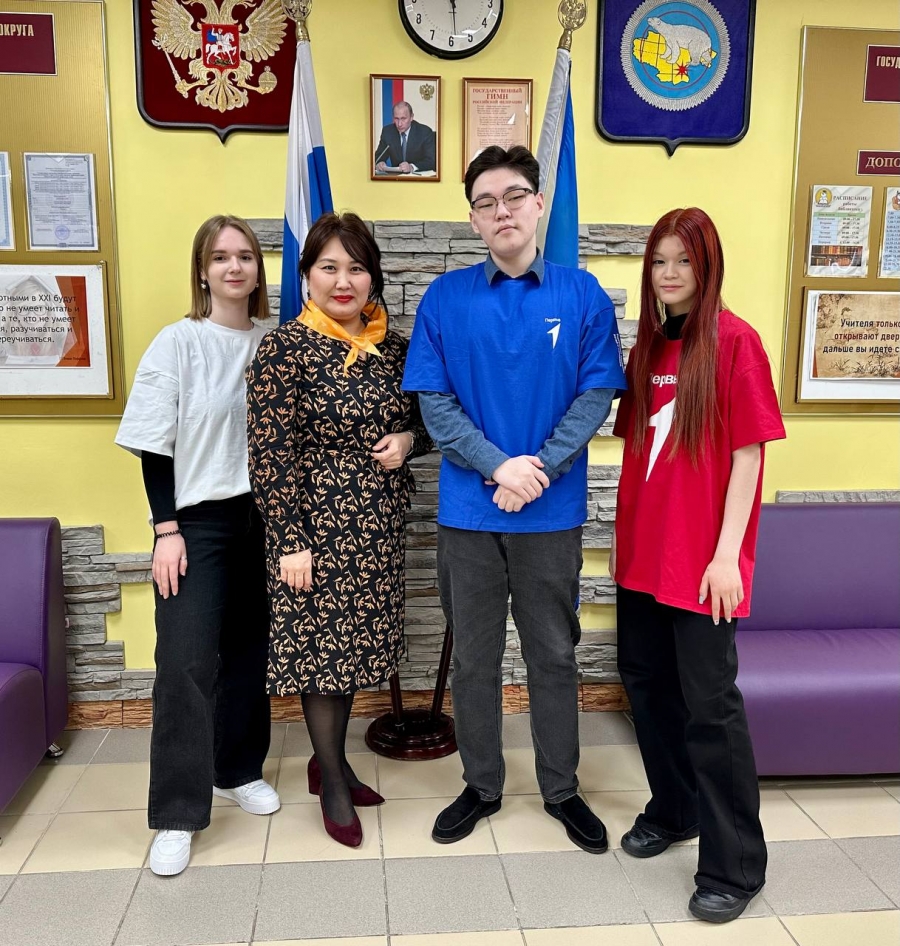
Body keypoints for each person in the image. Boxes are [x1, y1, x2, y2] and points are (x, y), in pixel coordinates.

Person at [403, 146, 627, 854]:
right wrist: (500, 467)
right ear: (473, 219)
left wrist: (538, 471)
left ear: (538, 206)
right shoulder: (445, 299)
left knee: (553, 656)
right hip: (469, 515)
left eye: (513, 197)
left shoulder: (582, 294)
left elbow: (596, 394)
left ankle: (561, 788)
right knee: (473, 660)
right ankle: (482, 785)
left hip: (550, 516)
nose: (501, 211)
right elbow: (434, 406)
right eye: (485, 202)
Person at [611, 207, 786, 923]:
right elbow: (639, 450)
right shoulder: (650, 346)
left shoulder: (736, 342)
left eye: (683, 260)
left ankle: (735, 865)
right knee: (648, 688)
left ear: (707, 264)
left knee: (710, 709)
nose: (670, 273)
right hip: (642, 560)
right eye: (659, 261)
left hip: (703, 565)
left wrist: (726, 556)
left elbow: (748, 456)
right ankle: (674, 807)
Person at [246, 211, 431, 848]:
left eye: (356, 268)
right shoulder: (285, 348)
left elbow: (430, 418)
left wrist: (408, 439)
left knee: (349, 653)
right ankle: (331, 781)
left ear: (373, 277)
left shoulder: (394, 348)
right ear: (307, 277)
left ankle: (332, 762)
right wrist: (289, 540)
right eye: (329, 267)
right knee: (321, 655)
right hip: (315, 530)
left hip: (376, 527)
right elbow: (269, 452)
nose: (343, 281)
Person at [115, 215, 280, 877]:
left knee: (248, 655)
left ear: (258, 269)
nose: (234, 267)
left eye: (245, 256)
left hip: (263, 520)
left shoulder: (274, 341)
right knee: (185, 663)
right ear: (203, 271)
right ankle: (177, 815)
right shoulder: (178, 342)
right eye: (220, 257)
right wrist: (166, 530)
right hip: (196, 523)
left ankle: (236, 770)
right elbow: (155, 444)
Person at [374, 100, 436, 173]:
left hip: (418, 177)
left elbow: (431, 161)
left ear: (411, 117)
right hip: (396, 177)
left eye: (403, 119)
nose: (399, 124)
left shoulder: (424, 132)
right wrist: (379, 163)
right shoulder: (388, 132)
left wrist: (412, 167)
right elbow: (378, 157)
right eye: (396, 119)